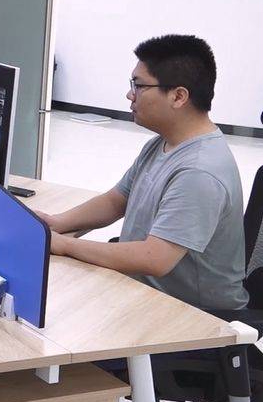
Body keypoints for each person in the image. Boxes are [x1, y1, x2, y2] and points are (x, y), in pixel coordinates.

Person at [35, 35, 247, 310]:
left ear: (178, 96)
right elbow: (115, 201)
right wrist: (55, 223)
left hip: (197, 316)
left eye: (139, 85)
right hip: (146, 292)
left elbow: (154, 258)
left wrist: (64, 245)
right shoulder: (163, 143)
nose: (130, 94)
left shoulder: (200, 171)